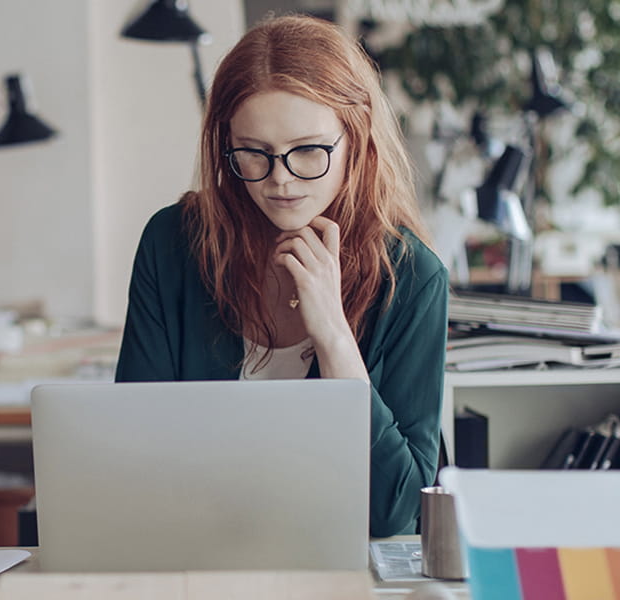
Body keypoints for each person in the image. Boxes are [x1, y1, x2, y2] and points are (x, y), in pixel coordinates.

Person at [114, 14, 447, 537]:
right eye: (254, 153)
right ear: (226, 147)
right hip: (194, 548)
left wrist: (334, 334)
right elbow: (130, 452)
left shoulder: (412, 278)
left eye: (309, 151)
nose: (281, 181)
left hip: (340, 564)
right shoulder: (173, 243)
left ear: (354, 139)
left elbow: (394, 511)